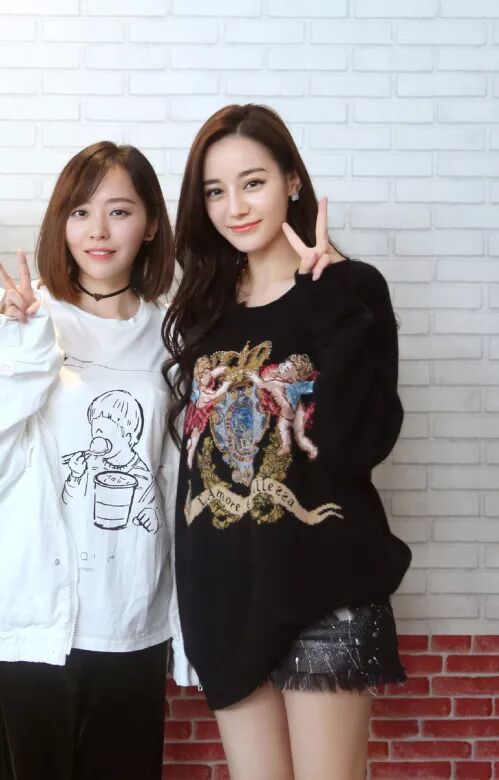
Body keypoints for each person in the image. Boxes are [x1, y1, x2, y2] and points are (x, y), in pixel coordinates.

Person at [163, 104, 412, 780]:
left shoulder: (351, 289)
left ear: (292, 182)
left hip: (326, 596)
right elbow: (194, 469)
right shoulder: (206, 307)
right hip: (225, 600)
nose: (234, 207)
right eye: (215, 191)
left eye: (253, 182)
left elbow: (357, 445)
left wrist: (328, 300)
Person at [0, 142, 195, 780]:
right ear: (61, 223)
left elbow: (178, 477)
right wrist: (21, 351)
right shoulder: (26, 317)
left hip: (130, 614)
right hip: (32, 619)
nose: (98, 231)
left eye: (119, 211)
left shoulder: (173, 335)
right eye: (80, 212)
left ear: (151, 224)